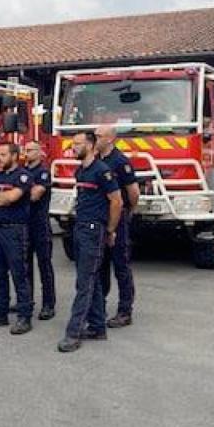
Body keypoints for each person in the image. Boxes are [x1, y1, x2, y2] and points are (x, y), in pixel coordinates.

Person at [59, 131, 121, 353]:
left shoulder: (102, 172)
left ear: (91, 146)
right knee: (90, 279)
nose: (73, 148)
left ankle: (73, 333)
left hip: (94, 231)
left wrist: (110, 230)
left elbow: (117, 201)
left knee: (84, 283)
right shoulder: (81, 171)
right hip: (80, 228)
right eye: (73, 144)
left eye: (78, 144)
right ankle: (97, 327)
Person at [0, 143, 33, 335]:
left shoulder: (23, 176)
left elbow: (13, 197)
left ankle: (24, 316)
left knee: (19, 274)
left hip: (15, 231)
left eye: (3, 155)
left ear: (14, 156)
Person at [95, 125, 140, 328]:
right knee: (100, 265)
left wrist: (127, 211)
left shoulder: (120, 162)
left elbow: (133, 192)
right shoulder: (95, 160)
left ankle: (125, 311)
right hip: (99, 218)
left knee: (120, 265)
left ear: (110, 139)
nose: (95, 138)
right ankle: (99, 307)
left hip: (117, 218)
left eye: (99, 136)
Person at [23, 141, 56, 320]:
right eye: (25, 150)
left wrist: (18, 191)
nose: (26, 153)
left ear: (39, 152)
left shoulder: (43, 172)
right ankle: (27, 301)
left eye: (30, 150)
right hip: (24, 224)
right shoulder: (23, 171)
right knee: (25, 266)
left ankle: (49, 304)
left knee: (45, 266)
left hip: (40, 224)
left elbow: (36, 195)